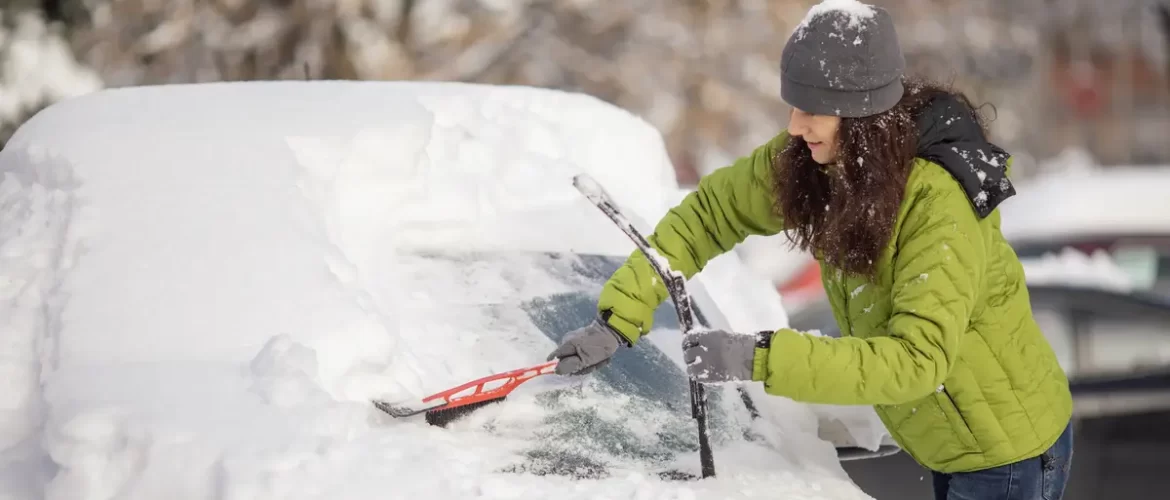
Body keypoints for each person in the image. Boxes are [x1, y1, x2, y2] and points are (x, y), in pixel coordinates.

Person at [544, 2, 1074, 499]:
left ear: (861, 116)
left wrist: (758, 356)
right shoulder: (814, 162)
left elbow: (919, 360)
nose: (796, 125)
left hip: (1007, 455)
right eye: (795, 105)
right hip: (947, 439)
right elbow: (709, 215)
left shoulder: (936, 204)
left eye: (814, 110)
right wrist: (620, 316)